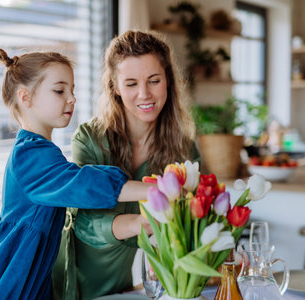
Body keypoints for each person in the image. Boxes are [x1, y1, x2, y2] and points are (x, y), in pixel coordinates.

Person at [0, 46, 153, 300]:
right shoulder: (29, 156)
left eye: (72, 90)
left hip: (33, 283)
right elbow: (81, 183)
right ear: (26, 98)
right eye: (59, 90)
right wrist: (155, 190)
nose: (72, 98)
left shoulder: (43, 152)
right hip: (11, 284)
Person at [52, 30, 199, 300]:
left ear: (168, 81)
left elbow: (193, 218)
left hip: (120, 288)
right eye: (131, 83)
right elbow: (84, 222)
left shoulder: (184, 149)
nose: (144, 94)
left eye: (154, 80)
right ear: (115, 87)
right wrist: (140, 224)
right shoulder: (90, 140)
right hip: (67, 283)